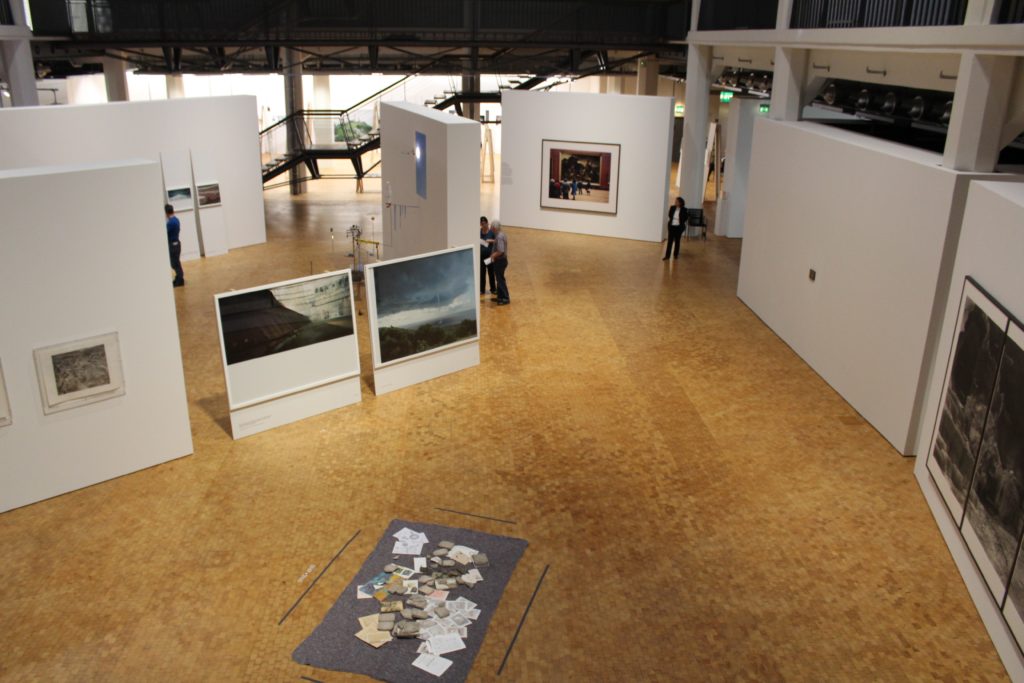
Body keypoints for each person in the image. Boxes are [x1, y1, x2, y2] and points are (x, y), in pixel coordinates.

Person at [490, 221, 510, 306]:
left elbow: (501, 251)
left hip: (500, 261)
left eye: (492, 227)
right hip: (501, 261)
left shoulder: (499, 237)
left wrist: (493, 256)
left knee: (500, 280)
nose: (491, 229)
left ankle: (505, 298)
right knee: (499, 279)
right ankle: (500, 297)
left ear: (495, 228)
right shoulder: (500, 235)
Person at [166, 204, 185, 286]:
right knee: (176, 262)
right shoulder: (176, 219)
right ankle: (179, 278)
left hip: (173, 245)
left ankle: (180, 279)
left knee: (175, 263)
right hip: (176, 244)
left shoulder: (170, 223)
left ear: (166, 213)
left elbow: (166, 233)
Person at [479, 215, 496, 296]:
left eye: (484, 223)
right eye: (482, 224)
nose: (483, 225)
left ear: (487, 223)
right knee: (482, 274)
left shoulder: (491, 232)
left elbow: (497, 241)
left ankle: (493, 289)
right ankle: (482, 290)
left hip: (490, 256)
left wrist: (490, 241)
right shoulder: (478, 232)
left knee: (491, 273)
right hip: (481, 257)